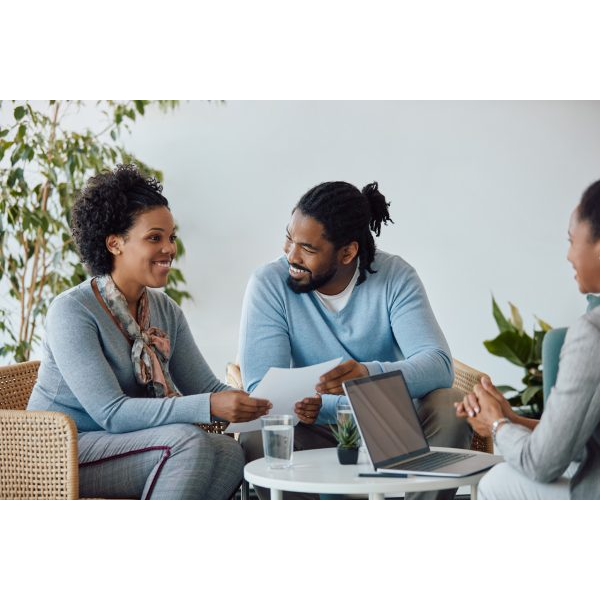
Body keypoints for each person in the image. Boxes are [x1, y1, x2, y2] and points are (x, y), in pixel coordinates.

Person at [27, 164, 271, 499]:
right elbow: (111, 412)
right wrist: (210, 405)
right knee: (185, 442)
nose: (169, 249)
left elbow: (207, 388)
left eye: (171, 237)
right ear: (115, 243)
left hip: (124, 444)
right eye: (154, 238)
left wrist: (268, 402)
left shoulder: (164, 309)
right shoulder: (72, 311)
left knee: (228, 453)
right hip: (58, 451)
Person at [238, 180, 471, 499]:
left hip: (386, 421)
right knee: (258, 435)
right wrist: (325, 407)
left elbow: (438, 365)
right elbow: (260, 390)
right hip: (312, 425)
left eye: (307, 248)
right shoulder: (269, 284)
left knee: (451, 405)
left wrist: (366, 375)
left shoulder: (395, 276)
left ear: (348, 252)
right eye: (289, 239)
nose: (291, 256)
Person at [456, 179, 600, 500]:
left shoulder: (593, 334)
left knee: (497, 482)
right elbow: (573, 440)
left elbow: (542, 464)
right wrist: (512, 420)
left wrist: (496, 427)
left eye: (571, 240)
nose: (567, 255)